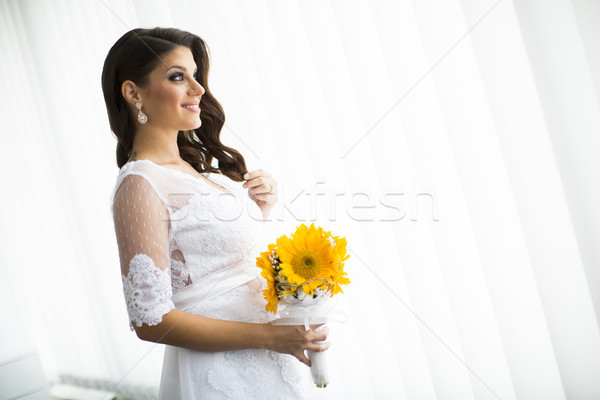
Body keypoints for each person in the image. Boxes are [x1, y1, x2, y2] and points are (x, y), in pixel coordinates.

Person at [101, 27, 329, 399]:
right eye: (178, 76)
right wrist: (272, 338)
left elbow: (223, 266)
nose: (198, 88)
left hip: (267, 364)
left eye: (196, 75)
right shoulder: (140, 183)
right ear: (133, 93)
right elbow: (151, 320)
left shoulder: (197, 171)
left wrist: (262, 211)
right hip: (221, 375)